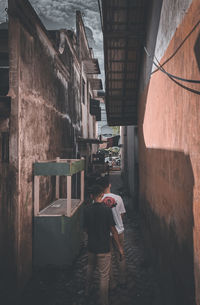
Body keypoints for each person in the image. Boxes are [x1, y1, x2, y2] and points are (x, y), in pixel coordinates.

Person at [83, 184, 124, 305]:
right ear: (102, 195)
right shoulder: (106, 210)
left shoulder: (86, 209)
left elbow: (85, 228)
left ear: (91, 196)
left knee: (90, 268)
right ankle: (103, 301)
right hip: (104, 247)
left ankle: (86, 290)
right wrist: (120, 248)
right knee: (104, 275)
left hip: (91, 246)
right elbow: (113, 229)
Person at [97, 176, 126, 288]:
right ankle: (122, 279)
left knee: (107, 258)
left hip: (104, 233)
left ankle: (111, 283)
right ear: (109, 185)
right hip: (118, 231)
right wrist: (117, 222)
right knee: (120, 254)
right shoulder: (118, 198)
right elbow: (122, 214)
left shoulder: (97, 199)